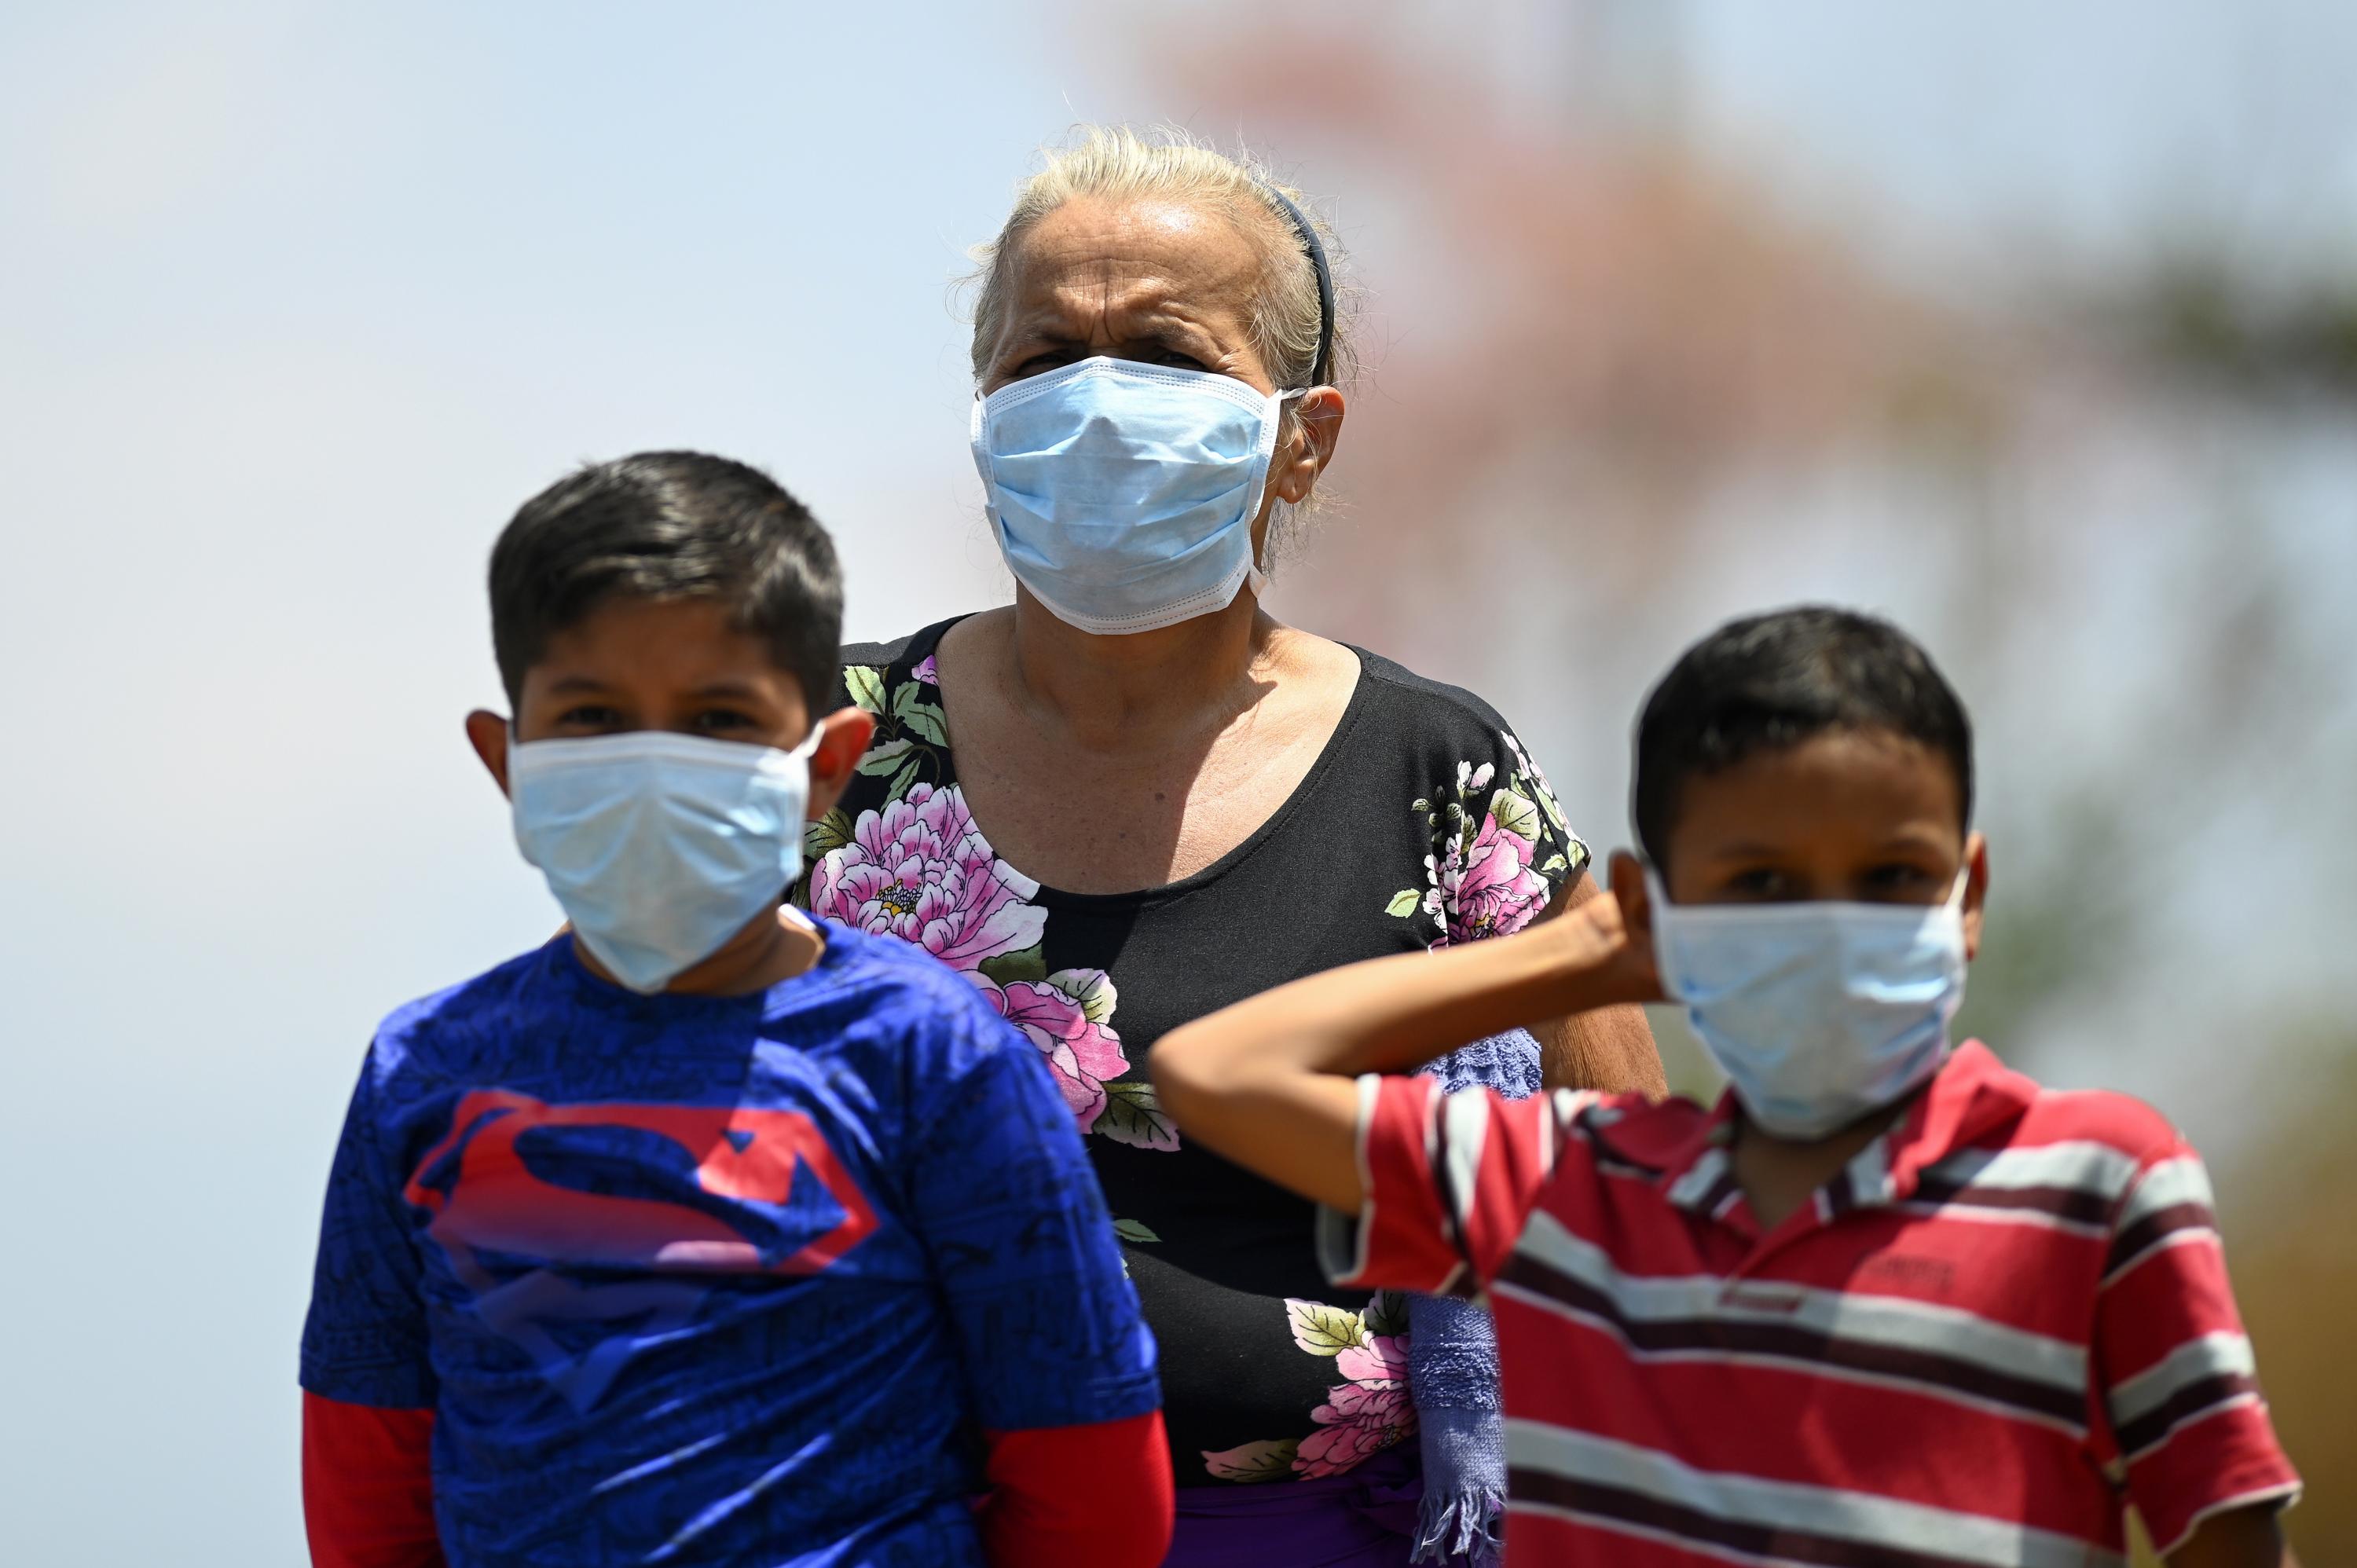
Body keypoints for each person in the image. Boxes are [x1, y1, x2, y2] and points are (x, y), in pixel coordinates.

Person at [798, 126, 1662, 1566]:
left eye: (1165, 355)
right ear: (982, 411)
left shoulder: (1439, 775)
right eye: (1041, 358)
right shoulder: (824, 749)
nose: (1093, 405)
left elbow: (1628, 1203)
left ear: (1301, 436)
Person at [1151, 606, 2303, 1567]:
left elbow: (2228, 1535)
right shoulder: (1573, 1194)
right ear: (1654, 914)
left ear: (1971, 890)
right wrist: (1573, 951)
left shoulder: (2098, 1183)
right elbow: (1219, 1074)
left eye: (1893, 875)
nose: (1829, 926)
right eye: (1761, 884)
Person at [299, 452, 1173, 1568]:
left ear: (825, 769)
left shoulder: (931, 1057)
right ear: (504, 761)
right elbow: (368, 1485)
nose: (656, 766)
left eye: (717, 719)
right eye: (594, 716)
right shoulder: (423, 1072)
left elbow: (1086, 1474)